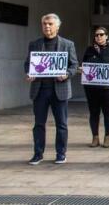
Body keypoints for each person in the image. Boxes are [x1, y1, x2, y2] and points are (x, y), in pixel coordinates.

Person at [25, 13, 78, 165]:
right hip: (39, 90)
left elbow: (74, 65)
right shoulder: (34, 44)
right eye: (44, 24)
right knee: (39, 124)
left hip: (59, 90)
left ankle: (61, 154)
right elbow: (28, 63)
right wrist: (29, 73)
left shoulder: (68, 44)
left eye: (50, 24)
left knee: (61, 124)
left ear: (57, 26)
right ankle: (38, 154)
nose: (47, 26)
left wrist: (66, 74)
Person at [81, 26, 109, 148]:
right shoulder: (89, 49)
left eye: (101, 34)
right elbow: (83, 65)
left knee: (108, 112)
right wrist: (82, 70)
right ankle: (95, 137)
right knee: (94, 112)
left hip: (107, 88)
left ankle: (107, 137)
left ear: (106, 36)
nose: (98, 37)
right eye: (96, 35)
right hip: (92, 88)